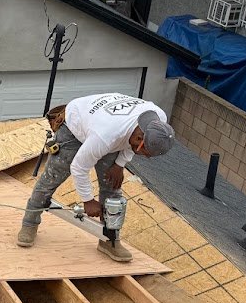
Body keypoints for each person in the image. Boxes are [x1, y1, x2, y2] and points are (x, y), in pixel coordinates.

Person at [17, 92, 175, 262]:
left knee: (113, 188)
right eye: (145, 153)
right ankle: (29, 223)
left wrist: (120, 164)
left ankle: (109, 240)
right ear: (139, 138)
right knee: (51, 178)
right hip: (75, 126)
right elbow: (78, 167)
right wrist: (88, 200)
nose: (146, 157)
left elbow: (131, 143)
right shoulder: (106, 136)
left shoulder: (159, 123)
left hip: (109, 129)